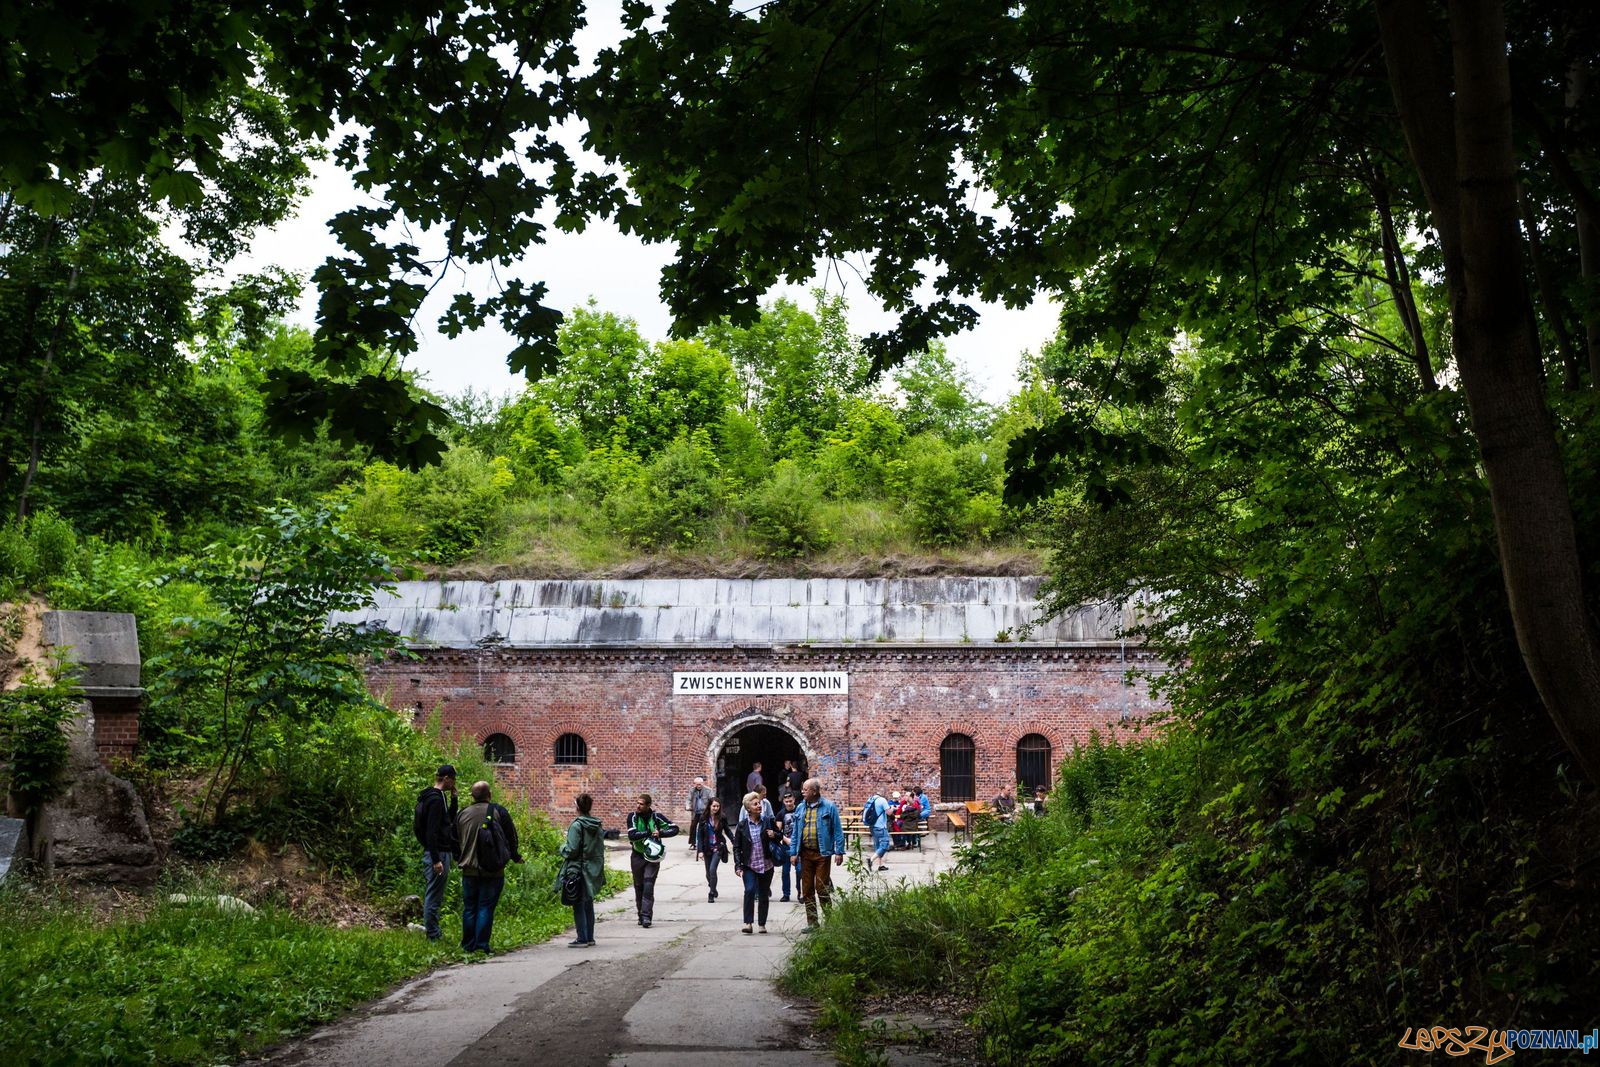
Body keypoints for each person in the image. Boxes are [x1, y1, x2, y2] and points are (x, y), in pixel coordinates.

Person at [455, 780, 523, 953]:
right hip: (494, 869)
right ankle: (482, 945)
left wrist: (460, 858)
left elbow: (453, 841)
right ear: (489, 795)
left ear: (472, 796)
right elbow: (511, 838)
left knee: (470, 907)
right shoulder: (498, 811)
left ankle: (468, 945)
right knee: (485, 906)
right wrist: (515, 857)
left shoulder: (462, 814)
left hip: (469, 869)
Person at [412, 764, 458, 941]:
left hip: (437, 851)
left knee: (435, 892)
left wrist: (454, 799)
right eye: (453, 779)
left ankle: (433, 931)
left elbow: (448, 821)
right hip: (438, 852)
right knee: (434, 894)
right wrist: (436, 859)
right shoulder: (436, 800)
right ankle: (433, 934)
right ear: (446, 778)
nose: (454, 783)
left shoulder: (435, 796)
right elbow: (431, 831)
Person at [792, 777, 844, 926]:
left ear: (814, 791)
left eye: (806, 789)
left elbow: (837, 831)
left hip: (822, 853)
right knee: (807, 889)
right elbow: (796, 832)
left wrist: (839, 851)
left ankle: (830, 920)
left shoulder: (829, 807)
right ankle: (812, 923)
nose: (802, 792)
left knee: (821, 888)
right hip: (805, 854)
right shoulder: (801, 808)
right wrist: (793, 853)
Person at [626, 793, 679, 928]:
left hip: (653, 857)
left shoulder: (656, 817)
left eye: (641, 804)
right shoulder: (632, 817)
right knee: (639, 886)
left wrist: (661, 833)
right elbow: (632, 835)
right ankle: (640, 914)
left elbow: (674, 828)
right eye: (637, 803)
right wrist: (649, 833)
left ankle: (646, 916)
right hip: (637, 855)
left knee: (648, 886)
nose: (638, 806)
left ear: (648, 805)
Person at [560, 793, 606, 947]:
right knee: (588, 904)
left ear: (577, 807)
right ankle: (590, 937)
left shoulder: (576, 825)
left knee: (578, 903)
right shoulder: (597, 825)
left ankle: (582, 938)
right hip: (592, 868)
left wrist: (562, 848)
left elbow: (572, 849)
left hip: (577, 869)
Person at [732, 791, 781, 934]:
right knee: (749, 890)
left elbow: (779, 835)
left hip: (766, 864)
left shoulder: (767, 820)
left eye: (759, 803)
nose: (759, 805)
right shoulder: (742, 825)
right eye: (755, 804)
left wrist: (774, 834)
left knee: (764, 894)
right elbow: (737, 847)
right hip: (749, 865)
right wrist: (738, 865)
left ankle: (762, 924)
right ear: (748, 808)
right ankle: (748, 923)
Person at [694, 797, 733, 903]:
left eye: (718, 806)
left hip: (718, 847)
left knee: (712, 870)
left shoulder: (722, 817)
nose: (716, 808)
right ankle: (714, 888)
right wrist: (700, 851)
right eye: (714, 806)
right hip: (707, 848)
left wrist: (735, 842)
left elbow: (728, 831)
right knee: (708, 873)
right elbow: (699, 836)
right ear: (710, 806)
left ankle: (711, 893)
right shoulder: (703, 818)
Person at [777, 791, 800, 901]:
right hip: (786, 845)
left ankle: (800, 892)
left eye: (790, 801)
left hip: (798, 846)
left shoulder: (800, 811)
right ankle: (786, 894)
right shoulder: (781, 814)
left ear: (794, 800)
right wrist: (785, 839)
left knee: (799, 870)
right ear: (783, 802)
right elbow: (778, 832)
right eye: (786, 802)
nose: (789, 803)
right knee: (785, 871)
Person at [863, 790, 891, 871]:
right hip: (880, 827)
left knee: (878, 845)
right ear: (883, 794)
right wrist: (892, 808)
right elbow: (889, 813)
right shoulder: (882, 800)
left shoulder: (870, 799)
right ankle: (871, 860)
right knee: (885, 845)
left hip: (872, 826)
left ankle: (880, 865)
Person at [685, 775, 712, 853]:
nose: (699, 786)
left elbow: (712, 799)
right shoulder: (692, 790)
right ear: (695, 784)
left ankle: (705, 842)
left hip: (704, 812)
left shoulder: (708, 790)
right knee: (693, 826)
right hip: (695, 811)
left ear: (702, 783)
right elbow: (688, 799)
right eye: (697, 784)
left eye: (700, 784)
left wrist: (709, 810)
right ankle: (693, 843)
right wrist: (688, 806)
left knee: (704, 827)